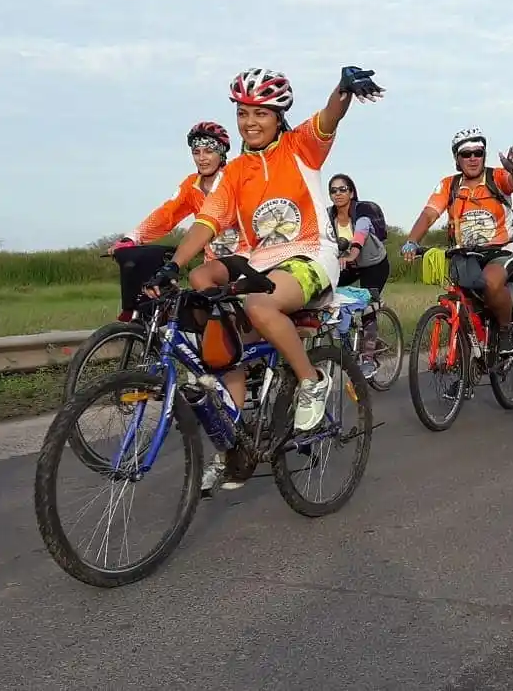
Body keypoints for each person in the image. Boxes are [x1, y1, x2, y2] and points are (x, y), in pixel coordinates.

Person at [145, 64, 384, 493]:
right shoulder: (235, 172)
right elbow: (206, 223)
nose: (250, 122)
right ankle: (232, 440)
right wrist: (172, 266)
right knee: (203, 280)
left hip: (309, 256)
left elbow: (330, 117)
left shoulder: (300, 147)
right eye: (242, 113)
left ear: (278, 117)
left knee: (258, 304)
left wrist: (342, 89)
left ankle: (311, 380)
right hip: (258, 259)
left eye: (260, 113)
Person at [402, 126, 513, 358]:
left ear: (484, 155)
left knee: (490, 283)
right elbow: (430, 214)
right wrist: (412, 240)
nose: (472, 158)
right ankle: (463, 370)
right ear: (457, 159)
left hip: (500, 249)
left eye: (477, 153)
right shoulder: (449, 185)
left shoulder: (496, 177)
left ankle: (506, 331)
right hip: (465, 252)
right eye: (466, 154)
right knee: (461, 305)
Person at [108, 122, 242, 321]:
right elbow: (167, 214)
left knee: (227, 317)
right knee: (194, 316)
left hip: (246, 257)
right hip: (213, 263)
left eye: (209, 151)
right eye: (196, 152)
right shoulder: (191, 185)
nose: (202, 158)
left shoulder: (236, 178)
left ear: (221, 153)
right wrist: (132, 237)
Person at [328, 173, 388, 378]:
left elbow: (362, 230)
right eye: (333, 190)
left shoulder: (362, 211)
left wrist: (353, 252)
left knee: (367, 308)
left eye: (342, 189)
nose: (338, 194)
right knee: (328, 295)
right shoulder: (329, 217)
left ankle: (369, 360)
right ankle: (345, 342)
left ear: (351, 192)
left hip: (373, 263)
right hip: (349, 265)